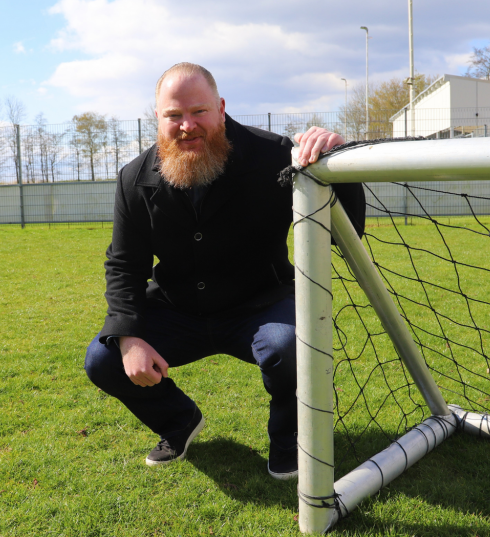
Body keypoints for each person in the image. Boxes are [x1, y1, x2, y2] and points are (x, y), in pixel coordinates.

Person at [84, 62, 363, 480]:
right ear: (157, 117)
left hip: (261, 305)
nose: (187, 126)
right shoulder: (134, 179)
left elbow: (346, 233)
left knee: (289, 346)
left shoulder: (275, 155)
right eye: (174, 115)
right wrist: (129, 337)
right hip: (178, 311)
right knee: (103, 358)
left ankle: (289, 438)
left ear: (221, 108)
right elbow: (124, 265)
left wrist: (338, 165)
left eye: (199, 111)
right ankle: (179, 421)